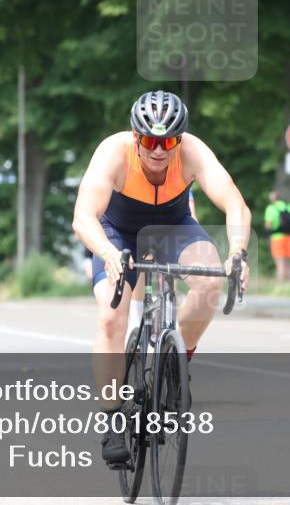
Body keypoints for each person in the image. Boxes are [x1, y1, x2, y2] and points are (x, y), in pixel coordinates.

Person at [72, 90, 251, 466]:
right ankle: (113, 419)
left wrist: (238, 252)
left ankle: (174, 364)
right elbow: (84, 217)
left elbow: (234, 203)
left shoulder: (193, 152)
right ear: (135, 136)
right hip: (117, 233)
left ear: (179, 140)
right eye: (150, 141)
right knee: (112, 315)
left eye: (168, 142)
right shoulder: (113, 152)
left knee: (210, 282)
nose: (158, 150)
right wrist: (107, 252)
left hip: (173, 226)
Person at [264, 191, 290, 282]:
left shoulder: (271, 208)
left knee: (280, 263)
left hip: (277, 238)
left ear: (273, 199)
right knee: (288, 263)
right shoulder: (289, 206)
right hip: (289, 238)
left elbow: (268, 225)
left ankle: (281, 285)